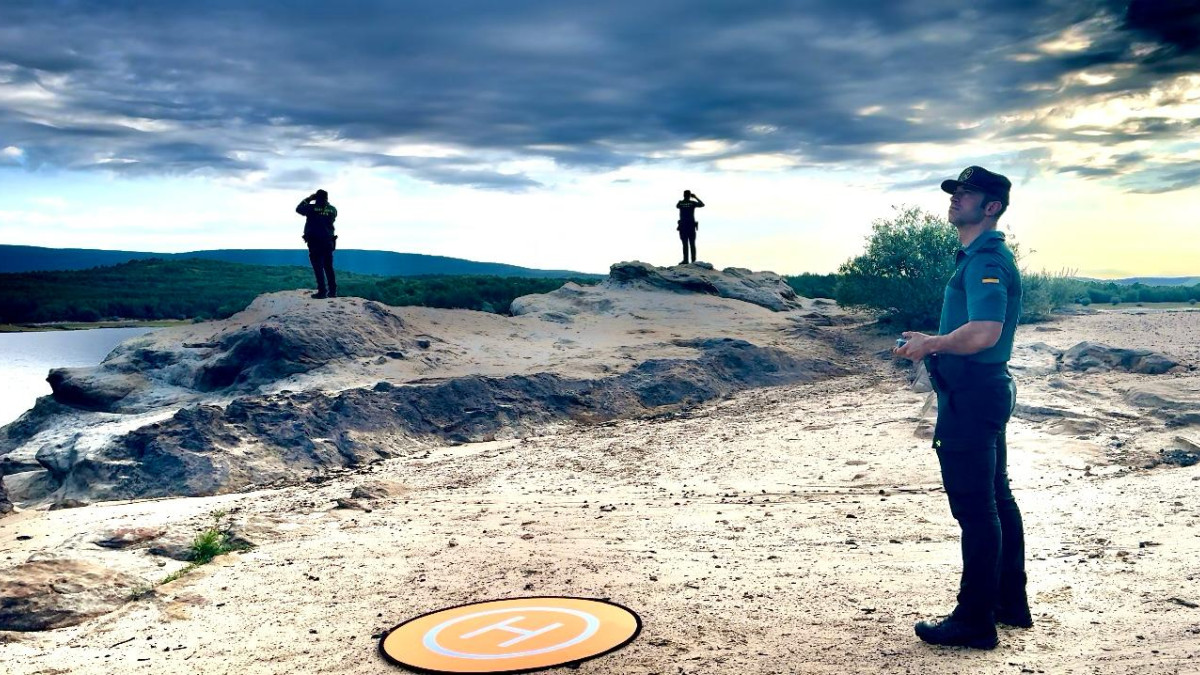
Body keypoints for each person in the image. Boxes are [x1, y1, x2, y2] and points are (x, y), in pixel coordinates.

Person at [893, 166, 1028, 650]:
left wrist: (932, 344)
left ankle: (974, 620)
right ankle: (1009, 603)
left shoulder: (986, 260)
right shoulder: (978, 257)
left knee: (977, 510)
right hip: (983, 390)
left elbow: (984, 332)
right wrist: (931, 341)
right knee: (997, 498)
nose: (955, 199)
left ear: (990, 207)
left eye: (966, 194)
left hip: (972, 397)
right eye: (955, 192)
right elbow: (974, 329)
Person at [296, 189, 338, 299]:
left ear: (316, 197)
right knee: (328, 267)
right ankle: (332, 291)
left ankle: (322, 291)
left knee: (318, 267)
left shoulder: (311, 208)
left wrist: (309, 199)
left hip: (315, 242)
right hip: (329, 241)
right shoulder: (333, 209)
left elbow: (298, 209)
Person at [675, 190, 704, 264]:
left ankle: (685, 260)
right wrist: (695, 197)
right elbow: (702, 204)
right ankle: (693, 261)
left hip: (683, 226)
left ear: (683, 195)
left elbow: (677, 206)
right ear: (690, 195)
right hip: (691, 225)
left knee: (685, 244)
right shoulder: (692, 203)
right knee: (692, 244)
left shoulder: (680, 203)